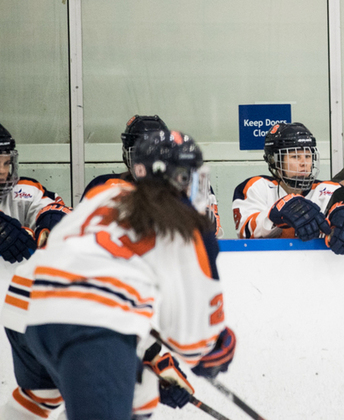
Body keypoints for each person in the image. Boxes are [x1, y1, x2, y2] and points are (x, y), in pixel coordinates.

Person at [20, 129, 236, 420]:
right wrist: (214, 349)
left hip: (33, 321)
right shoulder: (183, 225)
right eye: (189, 175)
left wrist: (153, 357)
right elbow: (194, 344)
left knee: (141, 391)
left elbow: (71, 266)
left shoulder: (104, 195)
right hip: (92, 330)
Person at [0, 122, 72, 419]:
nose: (4, 172)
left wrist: (51, 223)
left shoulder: (22, 191)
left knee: (41, 394)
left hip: (20, 314)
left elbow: (55, 209)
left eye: (7, 163)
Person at [233, 122, 344, 255]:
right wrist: (276, 215)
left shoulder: (329, 190)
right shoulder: (257, 187)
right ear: (274, 160)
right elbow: (245, 232)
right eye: (295, 156)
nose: (304, 163)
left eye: (308, 156)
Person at [83, 114, 224, 238]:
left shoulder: (190, 185)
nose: (148, 163)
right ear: (127, 155)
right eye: (141, 155)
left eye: (157, 155)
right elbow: (82, 233)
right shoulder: (102, 185)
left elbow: (210, 231)